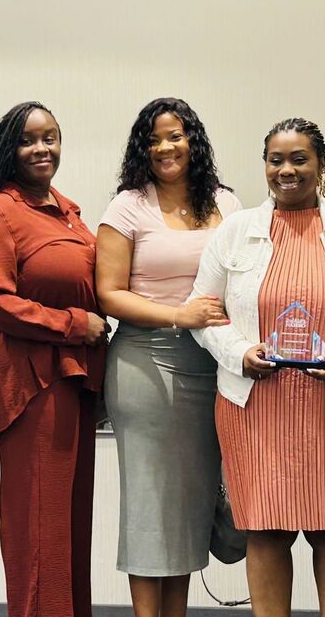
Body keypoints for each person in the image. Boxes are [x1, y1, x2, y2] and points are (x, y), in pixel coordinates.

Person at [190, 118, 325, 617]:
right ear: (265, 166)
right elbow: (202, 310)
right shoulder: (234, 232)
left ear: (322, 166)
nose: (287, 170)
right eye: (276, 160)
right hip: (254, 406)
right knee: (267, 530)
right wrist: (239, 354)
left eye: (300, 159)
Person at [0, 102, 108, 617]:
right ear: (8, 148)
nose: (41, 148)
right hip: (31, 383)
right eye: (27, 140)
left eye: (51, 137)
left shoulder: (68, 211)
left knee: (69, 528)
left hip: (75, 381)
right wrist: (74, 325)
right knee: (40, 529)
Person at [95, 97, 240, 617]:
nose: (165, 147)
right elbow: (108, 294)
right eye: (154, 139)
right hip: (146, 363)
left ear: (192, 140)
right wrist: (180, 315)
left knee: (187, 506)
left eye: (175, 135)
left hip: (212, 365)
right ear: (142, 148)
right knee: (151, 501)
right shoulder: (129, 205)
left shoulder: (225, 201)